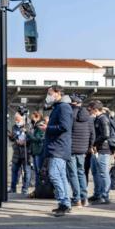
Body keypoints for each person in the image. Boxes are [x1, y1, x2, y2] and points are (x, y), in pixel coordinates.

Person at [43, 86, 73, 216]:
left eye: (50, 93)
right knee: (61, 176)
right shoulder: (59, 106)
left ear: (58, 93)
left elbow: (64, 126)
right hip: (59, 146)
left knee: (54, 175)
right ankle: (65, 203)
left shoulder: (63, 107)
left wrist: (47, 128)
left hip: (58, 147)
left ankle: (63, 203)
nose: (48, 96)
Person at [68, 94, 94, 207]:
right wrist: (90, 146)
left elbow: (67, 132)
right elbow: (92, 133)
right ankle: (85, 198)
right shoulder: (88, 115)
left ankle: (77, 198)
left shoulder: (70, 114)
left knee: (73, 173)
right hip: (83, 149)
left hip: (71, 148)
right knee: (81, 173)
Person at [87, 101, 112, 204]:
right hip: (97, 149)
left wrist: (94, 143)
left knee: (103, 173)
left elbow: (106, 134)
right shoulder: (98, 119)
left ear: (95, 109)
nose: (89, 112)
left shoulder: (103, 119)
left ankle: (105, 196)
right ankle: (97, 194)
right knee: (95, 172)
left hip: (102, 149)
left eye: (90, 110)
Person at [8, 112, 30, 195]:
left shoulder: (27, 126)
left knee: (26, 172)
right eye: (15, 119)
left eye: (17, 118)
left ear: (22, 118)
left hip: (26, 152)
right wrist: (11, 137)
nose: (16, 120)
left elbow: (31, 136)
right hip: (17, 152)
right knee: (14, 171)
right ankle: (13, 188)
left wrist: (25, 141)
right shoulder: (14, 127)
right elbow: (13, 138)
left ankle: (25, 189)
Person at [27, 111, 46, 186]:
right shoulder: (34, 125)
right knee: (36, 170)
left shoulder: (40, 126)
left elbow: (37, 139)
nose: (32, 119)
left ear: (37, 117)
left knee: (39, 170)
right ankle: (38, 187)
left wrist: (28, 134)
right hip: (35, 151)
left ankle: (39, 187)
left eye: (33, 117)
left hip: (39, 151)